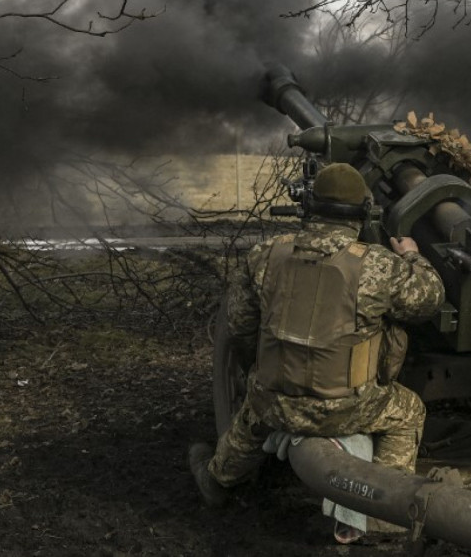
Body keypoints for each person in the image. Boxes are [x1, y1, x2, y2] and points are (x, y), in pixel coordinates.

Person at [188, 162, 445, 531]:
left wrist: (261, 373)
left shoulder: (265, 255)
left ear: (309, 207)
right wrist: (411, 254)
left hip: (275, 400)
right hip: (348, 409)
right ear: (361, 212)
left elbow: (240, 327)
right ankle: (382, 507)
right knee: (409, 411)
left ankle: (217, 481)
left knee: (254, 411)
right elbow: (430, 297)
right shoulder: (378, 266)